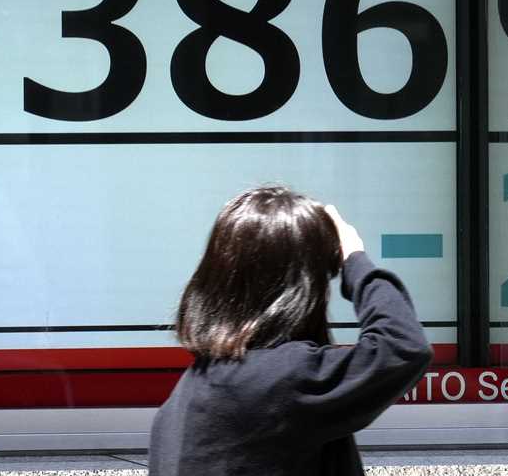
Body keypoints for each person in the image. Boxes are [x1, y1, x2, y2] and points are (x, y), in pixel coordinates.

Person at [149, 185, 432, 476]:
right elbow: (402, 345)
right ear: (303, 286)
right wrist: (355, 259)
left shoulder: (186, 398)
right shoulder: (283, 378)